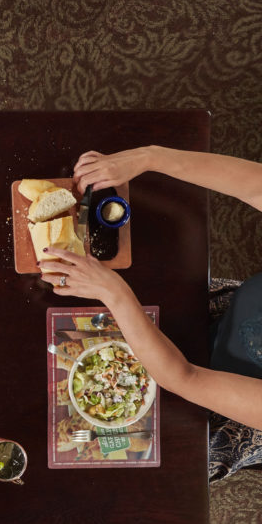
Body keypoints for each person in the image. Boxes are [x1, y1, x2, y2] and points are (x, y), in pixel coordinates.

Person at [41, 146, 262, 479]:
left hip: (211, 413)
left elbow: (185, 378)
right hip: (223, 314)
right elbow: (257, 185)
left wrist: (112, 293)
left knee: (117, 461)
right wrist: (150, 157)